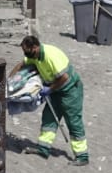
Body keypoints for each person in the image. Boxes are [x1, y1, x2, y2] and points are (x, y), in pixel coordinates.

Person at [9, 35, 88, 165]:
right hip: (56, 90)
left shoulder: (50, 56)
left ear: (35, 47)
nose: (27, 55)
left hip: (70, 90)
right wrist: (9, 81)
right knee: (49, 117)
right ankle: (43, 148)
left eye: (28, 52)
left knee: (73, 120)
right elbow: (21, 65)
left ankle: (82, 156)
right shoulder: (34, 56)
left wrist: (49, 89)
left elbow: (64, 78)